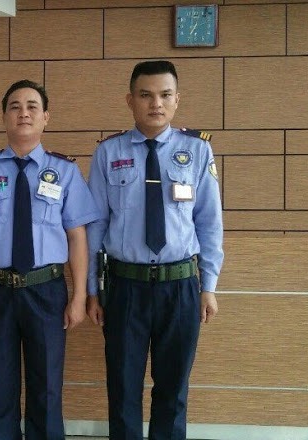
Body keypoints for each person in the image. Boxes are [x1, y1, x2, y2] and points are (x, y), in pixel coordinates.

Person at [0, 79, 100, 440]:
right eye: (15, 106)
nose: (24, 113)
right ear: (4, 117)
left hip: (46, 290)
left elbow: (77, 236)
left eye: (32, 106)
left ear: (46, 117)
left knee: (46, 385)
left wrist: (79, 296)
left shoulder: (65, 172)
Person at [86, 60, 223, 440]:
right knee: (123, 388)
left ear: (177, 99)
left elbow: (209, 223)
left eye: (165, 95)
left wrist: (208, 286)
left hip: (180, 286)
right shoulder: (108, 152)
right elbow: (95, 226)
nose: (155, 104)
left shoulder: (197, 150)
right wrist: (92, 291)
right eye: (145, 95)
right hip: (124, 287)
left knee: (173, 390)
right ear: (130, 100)